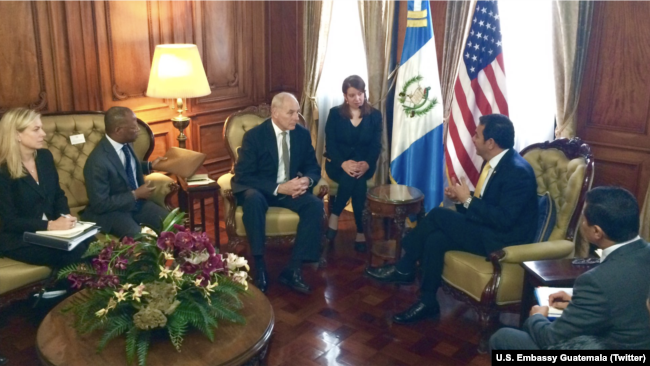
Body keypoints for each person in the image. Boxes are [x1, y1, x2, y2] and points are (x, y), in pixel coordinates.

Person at [366, 114, 538, 324]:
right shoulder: (497, 162)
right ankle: (427, 301)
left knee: (438, 215)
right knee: (435, 239)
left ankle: (404, 266)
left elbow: (504, 219)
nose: (473, 139)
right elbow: (488, 208)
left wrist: (468, 200)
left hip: (503, 242)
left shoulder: (518, 172)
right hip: (488, 230)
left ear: (491, 143)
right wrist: (461, 199)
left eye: (477, 135)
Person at [490, 186, 650, 350]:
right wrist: (578, 303)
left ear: (597, 232)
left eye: (583, 218)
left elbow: (551, 338)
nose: (581, 222)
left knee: (503, 338)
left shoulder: (596, 281)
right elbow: (624, 301)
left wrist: (537, 317)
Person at [231, 92, 323, 294]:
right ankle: (260, 266)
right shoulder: (254, 137)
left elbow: (313, 168)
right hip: (262, 190)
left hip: (290, 191)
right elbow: (243, 176)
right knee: (252, 200)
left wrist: (307, 180)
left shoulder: (301, 134)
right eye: (290, 112)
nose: (295, 117)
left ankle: (293, 268)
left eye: (297, 112)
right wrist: (279, 187)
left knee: (315, 205)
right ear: (274, 112)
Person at [0, 108, 88, 268]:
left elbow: (58, 195)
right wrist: (50, 226)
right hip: (19, 238)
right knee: (74, 252)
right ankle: (57, 291)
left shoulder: (44, 156)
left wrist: (65, 219)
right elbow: (9, 221)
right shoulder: (3, 171)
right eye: (36, 129)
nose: (43, 134)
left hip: (51, 231)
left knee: (93, 244)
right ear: (16, 135)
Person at [82, 106, 168, 238]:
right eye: (134, 128)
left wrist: (150, 165)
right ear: (118, 130)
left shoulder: (126, 142)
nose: (138, 130)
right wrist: (135, 194)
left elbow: (124, 167)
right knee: (139, 238)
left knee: (171, 223)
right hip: (112, 212)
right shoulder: (97, 162)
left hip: (136, 205)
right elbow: (100, 204)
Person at [324, 75, 382, 253]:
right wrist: (343, 164)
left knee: (356, 179)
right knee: (355, 181)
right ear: (345, 97)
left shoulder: (375, 115)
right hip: (337, 164)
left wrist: (366, 164)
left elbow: (375, 146)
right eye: (352, 95)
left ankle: (335, 214)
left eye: (360, 94)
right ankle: (360, 230)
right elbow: (331, 145)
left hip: (364, 165)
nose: (357, 98)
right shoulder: (335, 114)